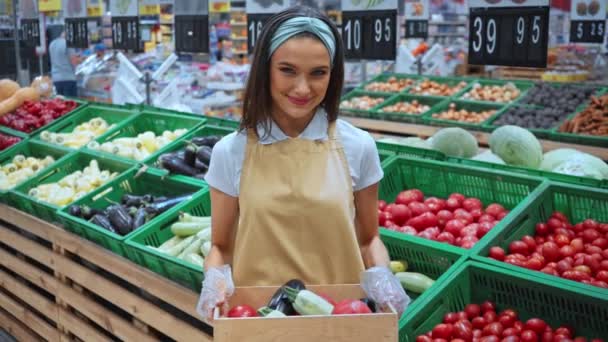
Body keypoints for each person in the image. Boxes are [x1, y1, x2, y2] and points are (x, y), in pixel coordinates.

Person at [196, 6, 410, 320]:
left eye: (318, 73)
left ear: (333, 74)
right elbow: (221, 246)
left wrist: (382, 279)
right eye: (287, 70)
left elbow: (368, 239)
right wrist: (214, 282)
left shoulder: (358, 146)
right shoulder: (231, 152)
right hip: (258, 318)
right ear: (265, 69)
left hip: (343, 316)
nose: (302, 88)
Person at [48, 26, 78, 97]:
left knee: (60, 103)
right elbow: (73, 61)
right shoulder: (69, 43)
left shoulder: (52, 44)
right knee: (70, 104)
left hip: (56, 79)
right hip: (68, 78)